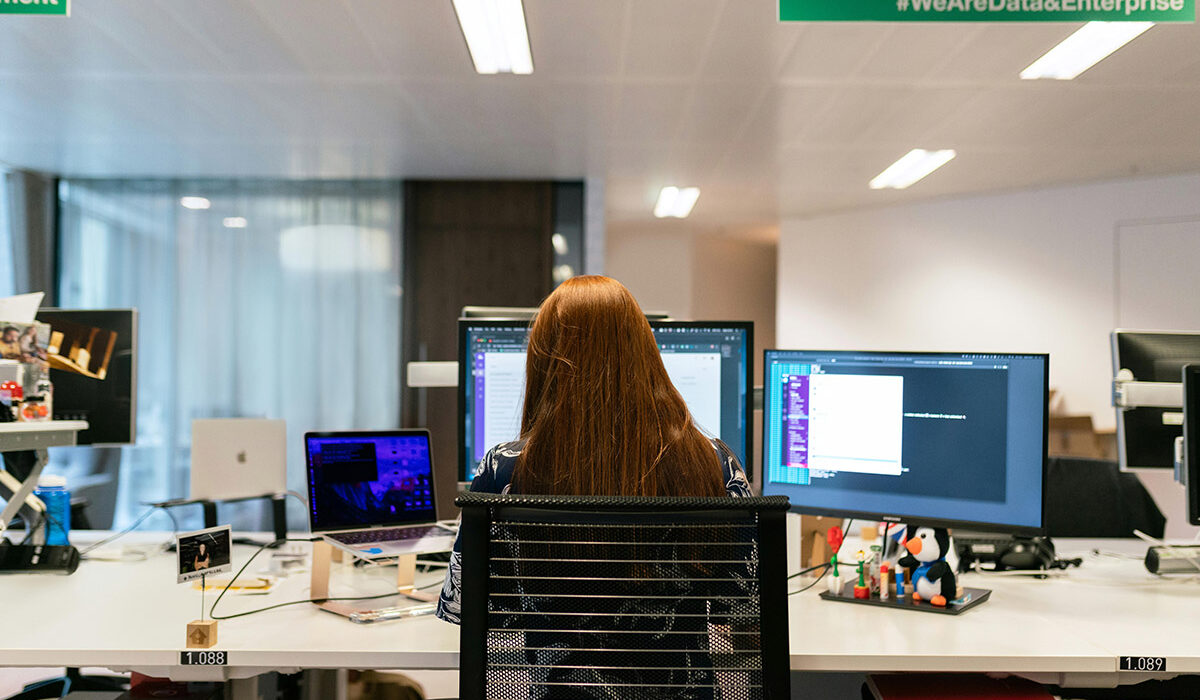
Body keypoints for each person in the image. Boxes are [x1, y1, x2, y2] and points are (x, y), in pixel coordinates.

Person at [436, 276, 750, 624]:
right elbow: (747, 609)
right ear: (646, 354)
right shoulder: (715, 462)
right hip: (677, 678)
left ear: (544, 363)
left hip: (558, 679)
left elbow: (462, 607)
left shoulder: (503, 468)